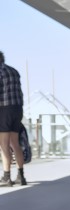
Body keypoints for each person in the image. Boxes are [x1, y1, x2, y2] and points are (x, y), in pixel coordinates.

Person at [0, 51, 27, 187]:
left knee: (4, 145)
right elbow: (20, 93)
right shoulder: (14, 71)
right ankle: (21, 176)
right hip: (17, 109)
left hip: (4, 110)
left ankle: (6, 177)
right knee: (15, 143)